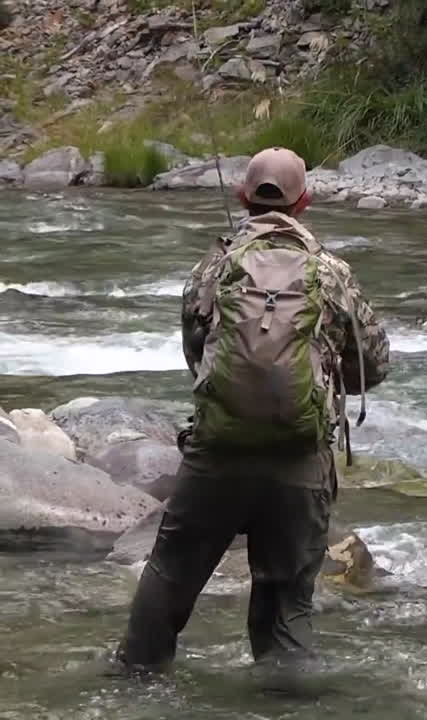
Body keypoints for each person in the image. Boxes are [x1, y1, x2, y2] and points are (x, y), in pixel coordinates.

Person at [114, 147, 391, 671]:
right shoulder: (331, 273)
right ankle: (283, 700)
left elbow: (196, 358)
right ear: (304, 201)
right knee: (287, 607)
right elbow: (372, 367)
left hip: (216, 455)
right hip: (299, 460)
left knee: (169, 576)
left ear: (244, 197)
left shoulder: (214, 267)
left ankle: (132, 687)